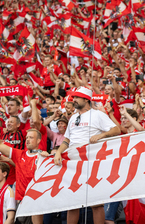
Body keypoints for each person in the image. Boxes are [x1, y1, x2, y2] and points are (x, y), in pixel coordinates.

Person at [54, 87, 120, 224]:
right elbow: (66, 140)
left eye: (77, 97)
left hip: (92, 162)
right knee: (72, 203)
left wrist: (102, 135)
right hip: (73, 163)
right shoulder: (72, 117)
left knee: (96, 202)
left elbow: (116, 129)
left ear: (86, 99)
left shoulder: (98, 115)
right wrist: (59, 152)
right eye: (74, 97)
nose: (74, 100)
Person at [0, 118, 46, 224]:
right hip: (21, 203)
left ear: (39, 140)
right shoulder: (19, 154)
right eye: (27, 137)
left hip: (36, 201)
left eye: (31, 138)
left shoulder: (43, 157)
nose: (28, 140)